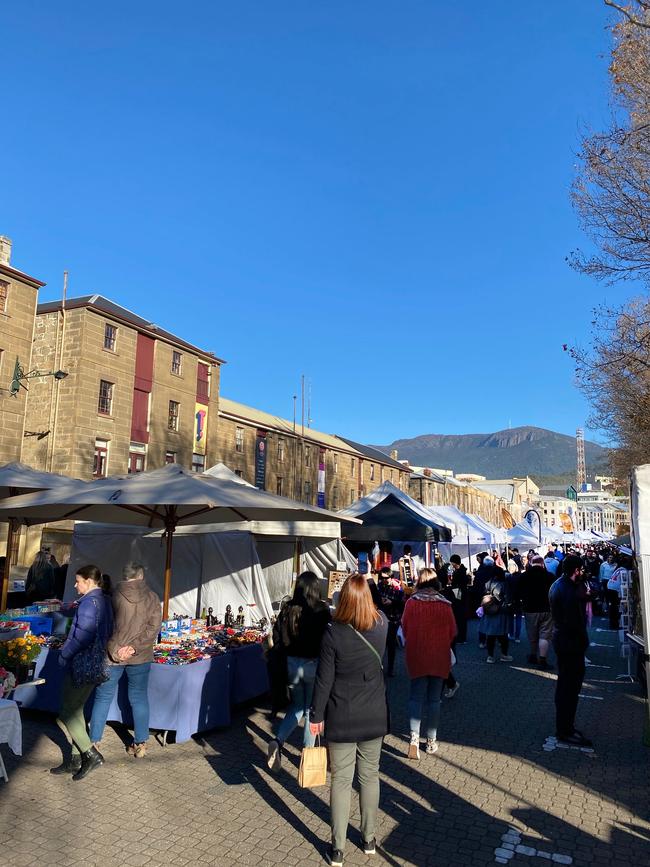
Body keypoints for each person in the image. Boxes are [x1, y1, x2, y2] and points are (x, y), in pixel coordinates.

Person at [309, 574, 388, 867]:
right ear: (367, 597)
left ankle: (338, 848)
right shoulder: (382, 625)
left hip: (341, 712)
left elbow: (323, 679)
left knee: (341, 781)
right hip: (373, 712)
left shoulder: (333, 633)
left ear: (342, 598)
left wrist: (316, 715)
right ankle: (369, 839)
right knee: (370, 776)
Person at [89, 562, 162, 759]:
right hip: (141, 655)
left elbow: (105, 628)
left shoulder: (112, 596)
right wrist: (134, 648)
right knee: (138, 697)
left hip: (114, 655)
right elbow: (153, 628)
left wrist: (117, 650)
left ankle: (93, 743)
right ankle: (140, 744)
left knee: (103, 697)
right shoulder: (152, 597)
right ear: (141, 576)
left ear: (124, 575)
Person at [51, 565, 113, 781]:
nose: (75, 585)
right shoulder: (103, 600)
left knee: (68, 711)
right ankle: (76, 759)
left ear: (89, 581)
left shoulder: (89, 603)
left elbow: (82, 636)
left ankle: (90, 754)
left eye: (78, 581)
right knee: (76, 710)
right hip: (94, 662)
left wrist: (64, 654)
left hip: (82, 663)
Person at [267, 571, 331, 772]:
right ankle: (307, 756)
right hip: (313, 665)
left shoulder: (287, 608)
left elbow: (277, 638)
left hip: (291, 664)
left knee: (296, 706)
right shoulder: (322, 610)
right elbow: (328, 640)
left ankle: (277, 741)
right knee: (311, 710)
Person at [401, 568, 457, 759]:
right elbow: (453, 632)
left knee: (415, 697)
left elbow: (405, 627)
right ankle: (431, 741)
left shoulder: (411, 603)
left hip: (416, 654)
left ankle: (414, 739)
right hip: (439, 655)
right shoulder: (445, 604)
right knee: (434, 700)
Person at [549, 554, 592, 747]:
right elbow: (573, 621)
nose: (583, 573)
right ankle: (565, 730)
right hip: (570, 644)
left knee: (567, 687)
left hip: (565, 641)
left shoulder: (561, 584)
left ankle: (566, 727)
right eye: (581, 570)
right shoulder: (568, 590)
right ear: (576, 570)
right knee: (569, 688)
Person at [519, 554, 554, 669]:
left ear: (531, 563)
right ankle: (543, 660)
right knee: (544, 635)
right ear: (542, 563)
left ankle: (533, 655)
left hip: (530, 609)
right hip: (546, 609)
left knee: (532, 634)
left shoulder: (524, 576)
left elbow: (518, 592)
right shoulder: (550, 576)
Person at [377, 566, 404, 677]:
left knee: (391, 642)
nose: (384, 580)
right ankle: (379, 666)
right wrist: (381, 601)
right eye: (382, 578)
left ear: (391, 577)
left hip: (393, 619)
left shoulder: (398, 588)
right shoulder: (380, 586)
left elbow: (402, 605)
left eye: (386, 578)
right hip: (381, 617)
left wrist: (391, 602)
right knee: (380, 642)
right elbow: (376, 599)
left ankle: (391, 667)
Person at [482, 566, 512, 663]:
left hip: (489, 611)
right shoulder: (504, 584)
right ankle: (504, 655)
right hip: (501, 612)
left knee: (490, 635)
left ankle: (490, 656)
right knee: (503, 635)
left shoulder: (487, 583)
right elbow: (507, 599)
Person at [473, 553, 494, 649]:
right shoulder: (495, 572)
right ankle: (493, 640)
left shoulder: (479, 573)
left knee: (482, 620)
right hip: (493, 598)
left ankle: (482, 641)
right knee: (493, 620)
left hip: (482, 598)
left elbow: (476, 587)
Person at [448, 554, 469, 643]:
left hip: (459, 596)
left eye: (452, 562)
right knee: (462, 618)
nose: (451, 564)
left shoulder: (459, 572)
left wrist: (451, 585)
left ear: (454, 562)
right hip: (462, 596)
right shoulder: (462, 570)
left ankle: (461, 637)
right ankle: (462, 636)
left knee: (460, 618)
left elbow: (456, 585)